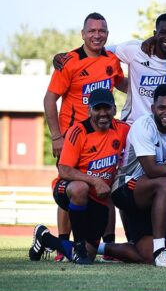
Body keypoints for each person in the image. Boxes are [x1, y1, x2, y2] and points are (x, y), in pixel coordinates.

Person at [43, 13, 127, 254]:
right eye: (92, 31)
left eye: (101, 31)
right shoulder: (69, 61)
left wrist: (148, 85)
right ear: (83, 34)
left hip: (103, 134)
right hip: (73, 136)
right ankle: (62, 244)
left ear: (107, 34)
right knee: (73, 189)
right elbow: (49, 99)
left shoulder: (111, 60)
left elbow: (122, 83)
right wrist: (56, 136)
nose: (97, 35)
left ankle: (106, 244)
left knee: (107, 185)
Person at [30, 89, 129, 264]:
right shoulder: (78, 131)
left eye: (107, 108)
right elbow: (64, 169)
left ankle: (44, 237)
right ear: (89, 111)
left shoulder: (123, 130)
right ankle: (79, 244)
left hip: (98, 198)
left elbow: (145, 136)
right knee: (80, 188)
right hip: (68, 190)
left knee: (88, 258)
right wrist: (95, 180)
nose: (103, 113)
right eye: (97, 109)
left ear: (114, 109)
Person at [106, 84, 166, 266]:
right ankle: (161, 250)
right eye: (162, 107)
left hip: (151, 195)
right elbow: (152, 170)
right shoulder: (143, 126)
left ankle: (95, 247)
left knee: (145, 256)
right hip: (125, 188)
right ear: (153, 108)